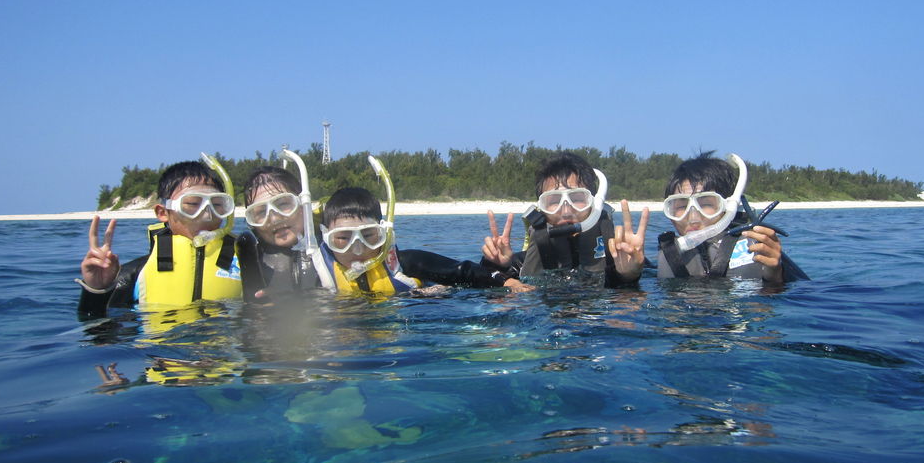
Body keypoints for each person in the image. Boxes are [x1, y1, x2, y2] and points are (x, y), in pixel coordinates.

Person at [77, 158, 242, 317]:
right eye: (192, 204)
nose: (207, 215)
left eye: (217, 205)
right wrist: (97, 290)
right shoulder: (136, 273)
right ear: (163, 213)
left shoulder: (246, 264)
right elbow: (99, 329)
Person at [318, 186, 530, 295]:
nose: (357, 249)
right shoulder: (316, 274)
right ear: (327, 238)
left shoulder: (406, 263)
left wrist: (507, 282)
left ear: (384, 234)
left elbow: (462, 271)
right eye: (343, 239)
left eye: (368, 236)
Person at [480, 152, 648, 287]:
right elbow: (480, 282)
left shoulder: (624, 257)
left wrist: (629, 276)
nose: (566, 211)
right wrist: (496, 266)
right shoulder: (520, 263)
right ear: (541, 209)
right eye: (554, 201)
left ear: (594, 203)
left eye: (577, 198)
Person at [655, 152, 802, 282]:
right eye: (681, 206)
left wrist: (775, 274)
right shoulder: (669, 254)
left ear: (728, 207)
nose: (693, 218)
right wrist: (637, 282)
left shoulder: (757, 246)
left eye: (705, 204)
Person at [235, 165, 322, 302]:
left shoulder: (334, 244)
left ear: (303, 205)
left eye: (282, 204)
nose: (274, 219)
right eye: (261, 212)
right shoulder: (249, 257)